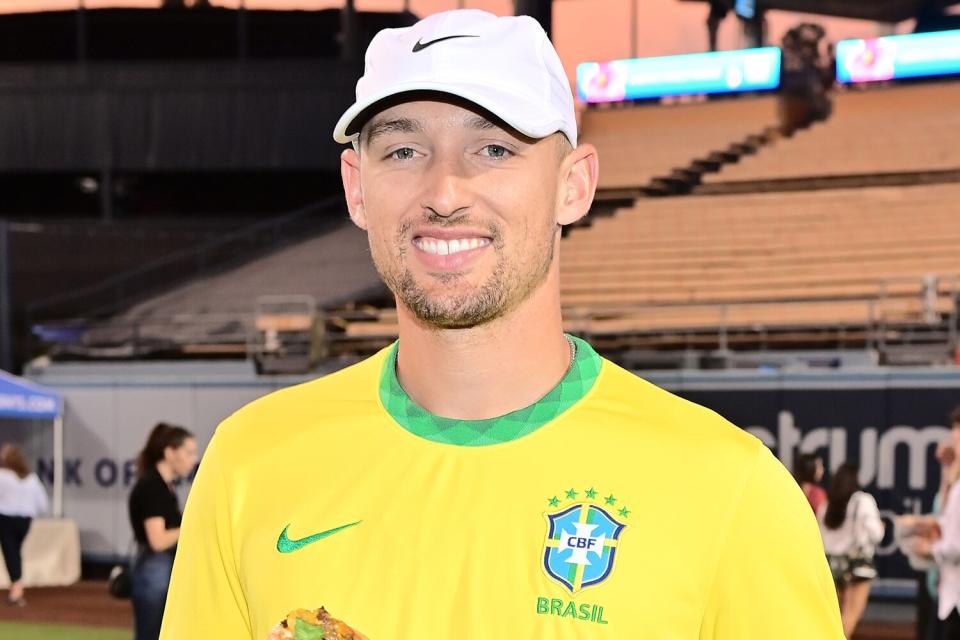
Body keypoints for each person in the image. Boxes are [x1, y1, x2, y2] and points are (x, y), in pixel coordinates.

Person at [160, 10, 843, 639]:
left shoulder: (732, 493)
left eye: (494, 149)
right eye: (403, 151)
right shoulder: (249, 464)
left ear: (573, 185)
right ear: (355, 186)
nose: (445, 192)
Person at [128, 423, 197, 640]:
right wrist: (192, 524)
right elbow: (157, 540)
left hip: (159, 570)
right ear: (169, 453)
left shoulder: (165, 486)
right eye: (189, 452)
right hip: (154, 571)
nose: (194, 459)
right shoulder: (153, 487)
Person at [819, 462, 885, 639]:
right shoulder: (863, 500)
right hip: (856, 565)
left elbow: (820, 536)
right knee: (850, 616)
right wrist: (881, 526)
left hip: (831, 565)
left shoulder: (827, 504)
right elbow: (877, 534)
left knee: (832, 618)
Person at [914, 407, 960, 639]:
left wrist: (930, 549)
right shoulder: (954, 486)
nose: (953, 444)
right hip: (948, 593)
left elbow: (956, 546)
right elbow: (946, 521)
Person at [0, 444, 49, 606]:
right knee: (15, 552)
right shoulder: (31, 478)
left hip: (6, 519)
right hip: (25, 521)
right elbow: (43, 504)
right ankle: (17, 585)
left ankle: (16, 589)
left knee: (10, 552)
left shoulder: (3, 476)